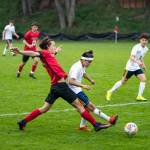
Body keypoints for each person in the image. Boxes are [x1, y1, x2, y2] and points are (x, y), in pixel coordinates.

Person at [11, 37, 112, 132]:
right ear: (47, 47)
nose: (55, 47)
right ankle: (96, 125)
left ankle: (23, 122)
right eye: (53, 46)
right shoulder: (44, 53)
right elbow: (33, 53)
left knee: (44, 108)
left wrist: (55, 52)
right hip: (61, 86)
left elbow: (51, 58)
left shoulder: (49, 55)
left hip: (55, 86)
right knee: (80, 106)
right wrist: (20, 51)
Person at [68, 50, 118, 131]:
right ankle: (109, 119)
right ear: (83, 60)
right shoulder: (76, 67)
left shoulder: (81, 65)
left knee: (87, 108)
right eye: (89, 62)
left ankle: (82, 126)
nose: (90, 64)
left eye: (91, 62)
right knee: (91, 106)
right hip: (74, 91)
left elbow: (83, 73)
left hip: (77, 90)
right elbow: (71, 81)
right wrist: (83, 85)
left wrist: (90, 80)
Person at [106, 33, 149, 101]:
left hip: (137, 67)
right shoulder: (136, 47)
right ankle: (110, 91)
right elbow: (131, 57)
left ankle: (139, 96)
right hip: (130, 67)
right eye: (143, 40)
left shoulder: (146, 49)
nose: (144, 41)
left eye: (145, 40)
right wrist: (138, 62)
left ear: (147, 41)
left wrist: (143, 65)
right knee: (123, 81)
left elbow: (141, 57)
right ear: (140, 40)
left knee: (143, 79)